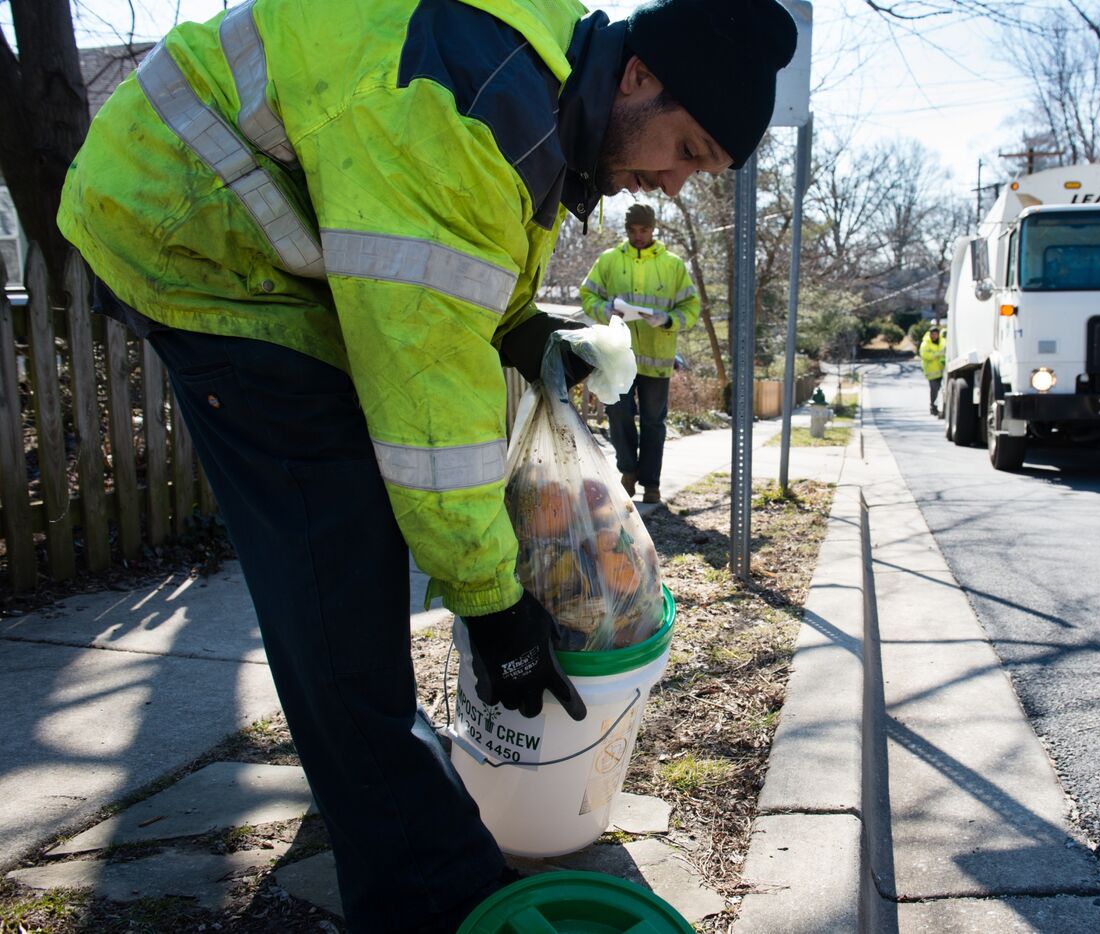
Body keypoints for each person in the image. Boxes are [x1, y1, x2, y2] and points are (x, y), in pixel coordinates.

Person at [57, 0, 796, 929]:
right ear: (639, 75)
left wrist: (523, 329)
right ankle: (430, 894)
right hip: (192, 227)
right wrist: (495, 609)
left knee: (356, 547)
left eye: (701, 171)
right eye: (686, 149)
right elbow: (427, 420)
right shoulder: (476, 117)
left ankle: (378, 795)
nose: (675, 185)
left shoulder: (543, 83)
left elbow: (453, 272)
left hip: (255, 222)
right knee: (335, 553)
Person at [579, 203, 700, 503]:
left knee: (653, 422)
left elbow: (691, 307)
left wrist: (668, 319)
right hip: (618, 357)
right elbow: (588, 294)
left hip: (657, 360)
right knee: (617, 413)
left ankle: (651, 484)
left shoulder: (673, 265)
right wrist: (604, 309)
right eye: (632, 230)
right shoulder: (609, 260)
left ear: (653, 228)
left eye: (643, 230)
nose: (638, 236)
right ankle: (628, 471)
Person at [919, 325, 946, 416]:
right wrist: (938, 354)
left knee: (941, 391)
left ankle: (941, 409)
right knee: (934, 391)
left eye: (936, 334)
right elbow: (926, 356)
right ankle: (933, 408)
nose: (934, 336)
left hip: (942, 371)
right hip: (932, 372)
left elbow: (945, 353)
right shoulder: (925, 344)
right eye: (932, 334)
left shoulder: (943, 342)